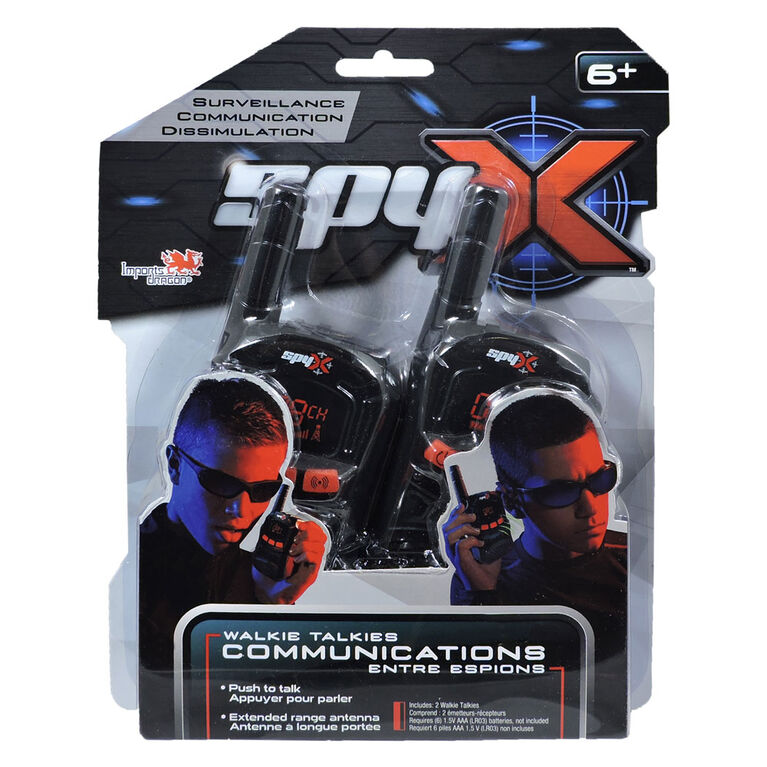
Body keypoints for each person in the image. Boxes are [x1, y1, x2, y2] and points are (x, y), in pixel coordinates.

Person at [139, 376, 327, 737]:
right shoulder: (131, 569)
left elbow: (264, 712)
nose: (241, 511)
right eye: (222, 484)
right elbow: (171, 708)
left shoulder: (258, 575)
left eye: (263, 490)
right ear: (174, 466)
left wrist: (272, 604)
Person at [443, 393, 627, 736]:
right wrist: (481, 593)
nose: (590, 508)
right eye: (561, 493)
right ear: (511, 501)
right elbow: (479, 695)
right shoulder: (483, 579)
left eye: (600, 480)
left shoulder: (634, 561)